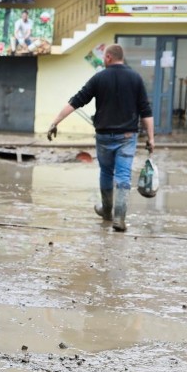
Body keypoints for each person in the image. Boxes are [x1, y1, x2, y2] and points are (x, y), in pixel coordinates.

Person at [46, 43, 154, 232]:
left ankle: (106, 211)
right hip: (127, 137)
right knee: (123, 176)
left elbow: (76, 101)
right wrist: (151, 138)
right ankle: (119, 218)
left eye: (104, 57)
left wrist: (55, 122)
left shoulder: (99, 78)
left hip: (104, 136)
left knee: (106, 172)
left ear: (109, 58)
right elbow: (146, 111)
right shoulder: (136, 78)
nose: (104, 60)